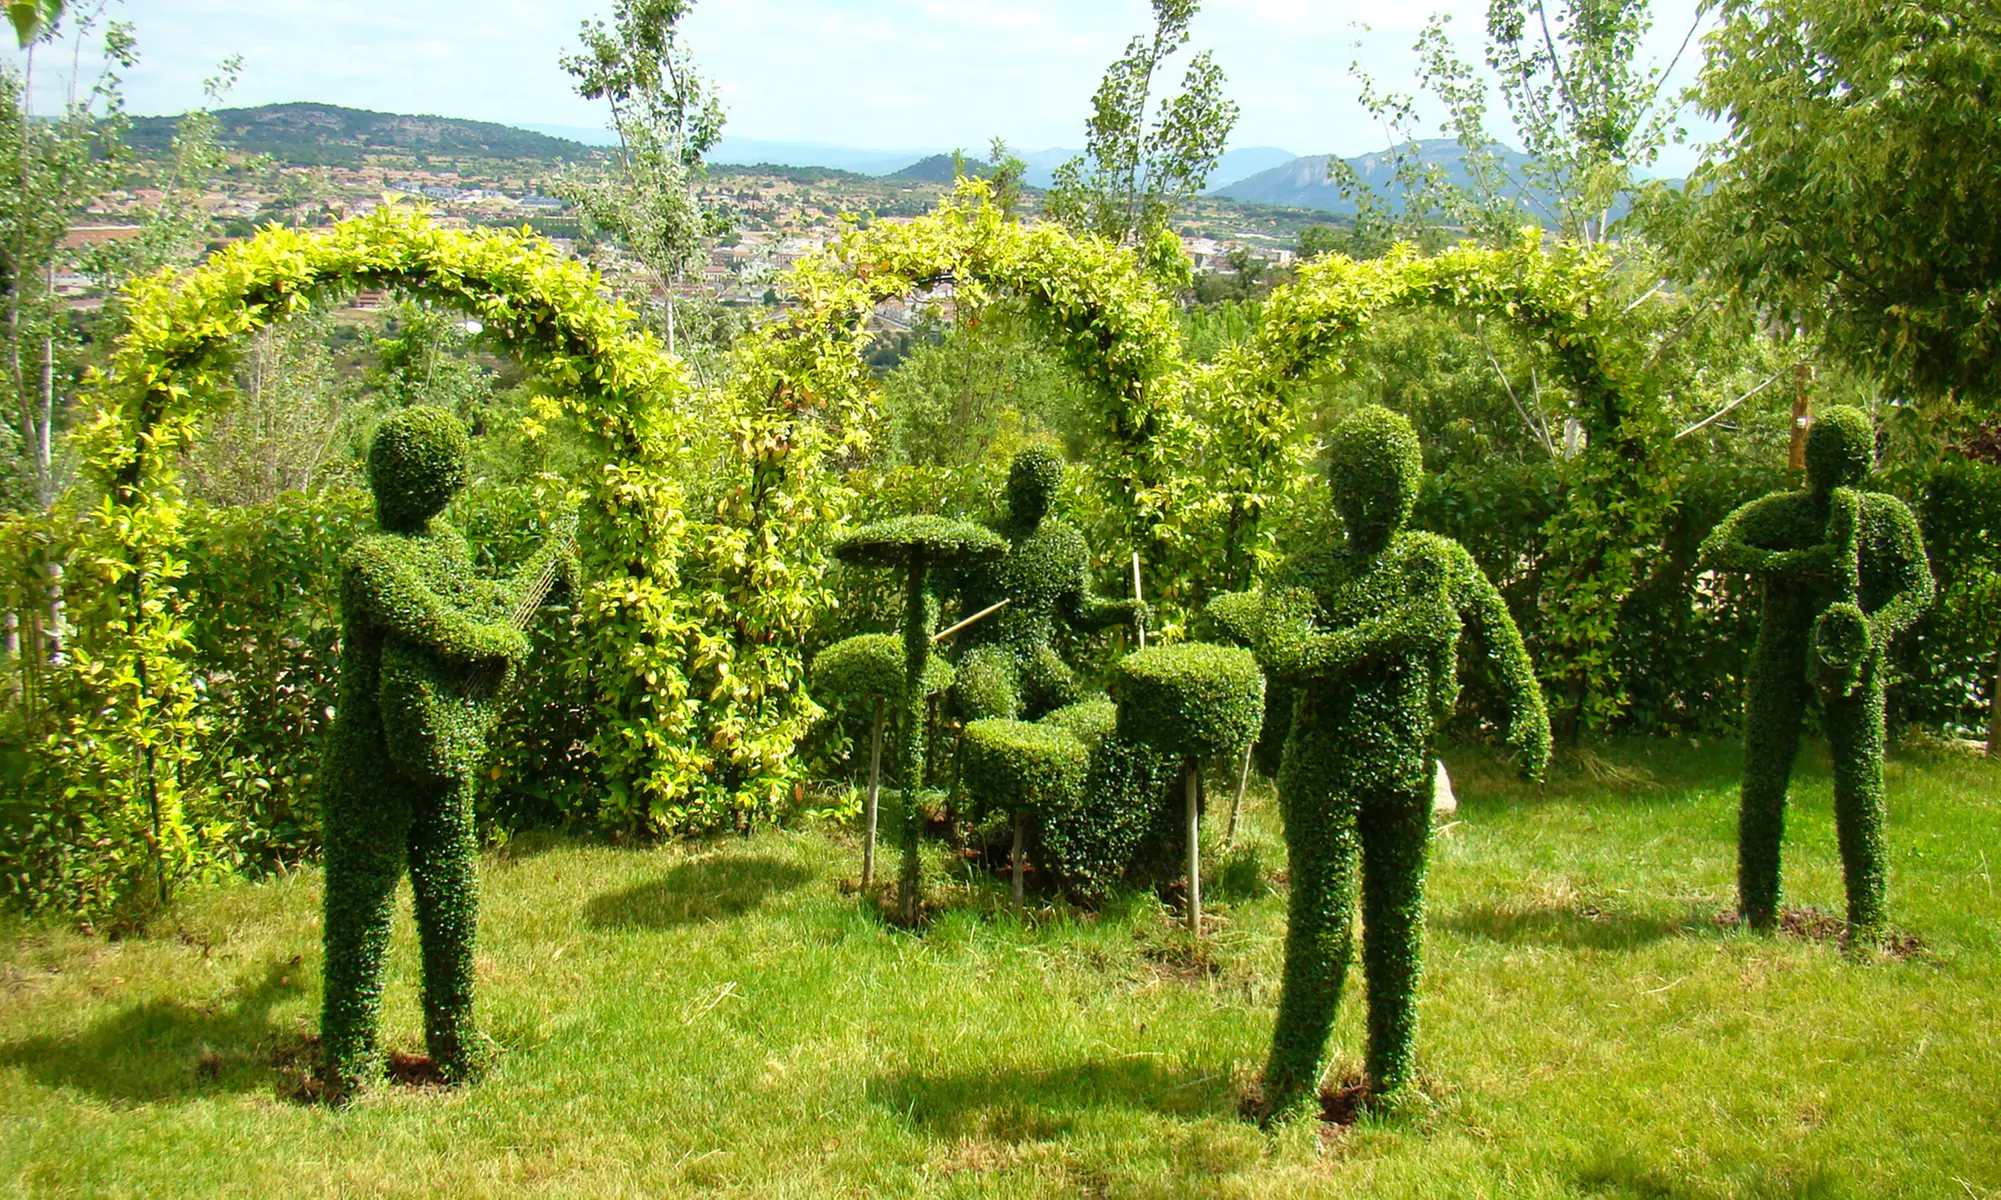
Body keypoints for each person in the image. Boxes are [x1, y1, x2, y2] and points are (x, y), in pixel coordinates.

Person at [1255, 405, 1549, 1120]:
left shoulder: (1437, 562)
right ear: (1340, 490)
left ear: (1411, 483)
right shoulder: (1309, 572)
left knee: (1396, 925)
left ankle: (1390, 1082)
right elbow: (1287, 655)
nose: (1379, 498)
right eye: (1364, 483)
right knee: (1323, 928)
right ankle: (1290, 1090)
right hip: (1323, 772)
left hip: (1406, 772)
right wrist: (1394, 631)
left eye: (1391, 482)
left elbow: (1497, 636)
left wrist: (1526, 711)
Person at [318, 406, 573, 1101]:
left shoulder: (446, 547)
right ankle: (349, 1060)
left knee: (452, 897)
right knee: (362, 912)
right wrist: (502, 642)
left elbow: (477, 600)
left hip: (441, 746)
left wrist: (535, 578)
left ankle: (455, 1039)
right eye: (446, 472)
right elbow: (436, 626)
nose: (453, 484)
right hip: (370, 763)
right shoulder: (370, 562)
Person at [1699, 405, 1932, 936]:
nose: (1831, 468)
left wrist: (1869, 630)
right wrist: (1796, 563)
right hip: (1780, 657)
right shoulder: (1783, 512)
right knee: (1765, 779)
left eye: (1841, 457)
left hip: (1853, 658)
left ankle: (1868, 920)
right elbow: (1716, 547)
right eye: (1824, 455)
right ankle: (1757, 910)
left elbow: (1917, 588)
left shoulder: (1886, 516)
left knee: (1859, 785)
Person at [948, 447, 1147, 721]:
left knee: (1098, 714)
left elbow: (1081, 612)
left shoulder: (1067, 545)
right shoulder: (982, 539)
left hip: (1038, 657)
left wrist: (1124, 611)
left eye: (1044, 492)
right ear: (1013, 486)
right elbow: (938, 585)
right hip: (984, 654)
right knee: (996, 719)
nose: (1038, 499)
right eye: (1031, 490)